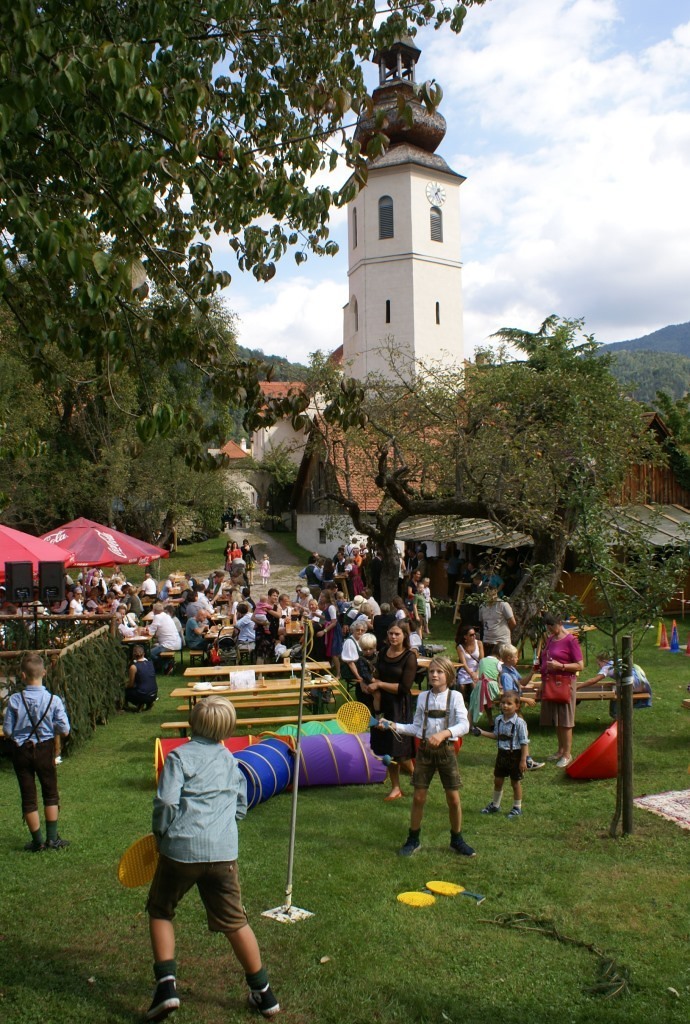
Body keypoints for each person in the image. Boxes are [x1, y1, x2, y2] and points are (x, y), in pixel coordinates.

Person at [144, 696, 279, 1021]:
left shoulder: (178, 757)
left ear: (192, 723)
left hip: (180, 851)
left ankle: (166, 987)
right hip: (223, 855)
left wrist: (161, 834)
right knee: (235, 921)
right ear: (229, 729)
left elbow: (167, 802)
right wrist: (225, 825)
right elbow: (241, 804)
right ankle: (264, 993)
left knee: (161, 910)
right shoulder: (232, 761)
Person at [380, 656, 474, 857]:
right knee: (419, 797)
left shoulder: (455, 696)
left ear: (449, 676)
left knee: (453, 799)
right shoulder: (423, 697)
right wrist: (393, 725)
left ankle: (456, 839)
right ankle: (413, 840)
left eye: (439, 672)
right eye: (431, 671)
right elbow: (416, 728)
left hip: (447, 751)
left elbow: (464, 725)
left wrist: (444, 734)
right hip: (424, 752)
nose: (434, 675)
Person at [3, 652, 71, 851]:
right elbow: (65, 729)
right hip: (44, 748)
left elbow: (7, 730)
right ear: (44, 672)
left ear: (23, 676)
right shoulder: (54, 700)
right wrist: (50, 728)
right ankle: (52, 839)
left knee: (28, 795)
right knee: (50, 792)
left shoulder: (15, 700)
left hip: (21, 751)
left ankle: (37, 841)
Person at [367, 621, 417, 801]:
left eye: (397, 634)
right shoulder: (382, 653)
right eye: (391, 633)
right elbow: (378, 675)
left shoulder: (409, 657)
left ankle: (417, 777)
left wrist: (380, 684)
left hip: (399, 707)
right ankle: (396, 787)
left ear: (405, 635)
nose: (393, 637)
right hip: (381, 704)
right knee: (387, 749)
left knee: (400, 751)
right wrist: (370, 682)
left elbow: (404, 687)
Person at [473, 690, 530, 819]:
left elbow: (524, 742)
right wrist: (482, 732)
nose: (505, 706)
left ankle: (517, 807)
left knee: (515, 782)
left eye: (509, 703)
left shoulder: (519, 723)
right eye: (503, 703)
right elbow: (496, 735)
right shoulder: (498, 719)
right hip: (502, 754)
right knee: (498, 780)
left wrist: (523, 760)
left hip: (515, 755)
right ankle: (495, 805)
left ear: (517, 706)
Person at [538, 613, 584, 768]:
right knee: (557, 719)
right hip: (551, 682)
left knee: (566, 720)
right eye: (547, 627)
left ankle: (567, 754)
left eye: (551, 626)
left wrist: (561, 666)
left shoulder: (571, 640)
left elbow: (580, 665)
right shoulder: (551, 639)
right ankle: (560, 750)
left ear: (559, 623)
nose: (549, 630)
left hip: (565, 683)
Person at [478, 587, 516, 656]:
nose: (492, 597)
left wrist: (502, 633)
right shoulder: (482, 606)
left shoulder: (503, 605)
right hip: (487, 641)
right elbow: (482, 622)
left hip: (502, 642)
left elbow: (512, 623)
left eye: (493, 594)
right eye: (488, 594)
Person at [148, 601, 182, 674]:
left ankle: (166, 665)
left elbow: (150, 632)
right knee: (154, 647)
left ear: (154, 610)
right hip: (177, 642)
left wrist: (144, 630)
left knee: (149, 653)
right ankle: (166, 663)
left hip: (168, 644)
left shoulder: (157, 617)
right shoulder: (167, 616)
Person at [455, 623, 484, 703]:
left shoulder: (479, 643)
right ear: (465, 636)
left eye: (475, 634)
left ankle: (475, 705)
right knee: (461, 686)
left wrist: (476, 672)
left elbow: (481, 660)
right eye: (471, 635)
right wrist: (471, 673)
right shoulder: (460, 647)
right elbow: (463, 663)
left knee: (474, 685)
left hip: (477, 668)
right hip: (465, 670)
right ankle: (462, 703)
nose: (474, 636)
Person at [125, 645, 159, 711]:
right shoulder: (150, 663)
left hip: (142, 695)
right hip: (154, 694)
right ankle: (149, 703)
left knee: (126, 691)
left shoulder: (133, 667)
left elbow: (131, 684)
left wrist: (125, 685)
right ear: (144, 654)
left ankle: (138, 704)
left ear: (133, 655)